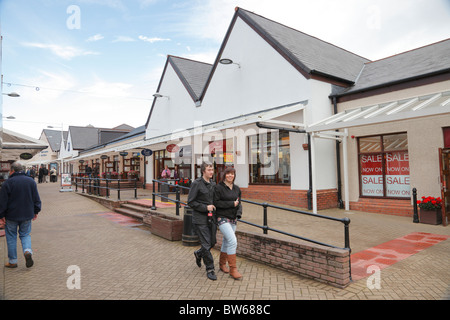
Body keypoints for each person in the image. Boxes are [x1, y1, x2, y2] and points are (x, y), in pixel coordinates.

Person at [0, 161, 41, 268]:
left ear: (12, 170)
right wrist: (36, 211)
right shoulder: (31, 181)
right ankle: (27, 251)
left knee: (11, 237)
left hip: (11, 215)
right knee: (25, 235)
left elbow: (2, 202)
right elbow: (36, 198)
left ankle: (13, 261)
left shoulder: (7, 183)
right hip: (27, 214)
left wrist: (1, 216)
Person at [187, 162, 217, 280]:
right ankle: (210, 268)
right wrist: (205, 207)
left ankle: (199, 253)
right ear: (203, 171)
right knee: (206, 243)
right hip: (200, 219)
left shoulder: (213, 184)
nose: (211, 172)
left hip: (211, 218)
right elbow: (191, 202)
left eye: (212, 169)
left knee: (212, 242)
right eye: (209, 170)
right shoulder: (196, 184)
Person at [213, 167, 243, 280]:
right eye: (228, 174)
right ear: (224, 175)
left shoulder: (236, 188)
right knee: (232, 241)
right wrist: (231, 204)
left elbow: (239, 203)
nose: (230, 176)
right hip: (222, 218)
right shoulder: (218, 188)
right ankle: (233, 269)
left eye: (232, 174)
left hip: (233, 218)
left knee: (226, 241)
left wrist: (238, 214)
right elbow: (216, 203)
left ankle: (221, 264)